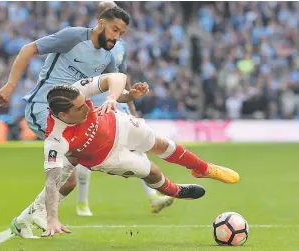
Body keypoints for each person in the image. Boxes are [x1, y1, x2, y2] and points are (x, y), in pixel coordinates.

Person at [40, 73, 240, 237]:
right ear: (64, 116)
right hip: (108, 158)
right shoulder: (55, 140)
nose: (87, 108)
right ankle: (176, 191)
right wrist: (52, 219)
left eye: (85, 103)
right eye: (80, 108)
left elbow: (117, 76)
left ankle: (203, 168)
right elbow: (51, 182)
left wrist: (111, 98)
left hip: (118, 124)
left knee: (161, 144)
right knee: (152, 172)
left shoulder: (75, 92)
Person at [0, 6, 131, 238]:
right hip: (44, 109)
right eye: (114, 30)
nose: (117, 37)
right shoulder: (73, 37)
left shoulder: (108, 56)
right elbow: (29, 49)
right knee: (65, 166)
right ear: (101, 24)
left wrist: (132, 95)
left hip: (70, 117)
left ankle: (27, 217)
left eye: (121, 34)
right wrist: (10, 85)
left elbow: (113, 86)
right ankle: (38, 214)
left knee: (69, 178)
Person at [75, 1, 173, 217]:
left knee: (136, 145)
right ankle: (82, 203)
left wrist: (131, 106)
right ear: (101, 18)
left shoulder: (120, 45)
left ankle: (154, 196)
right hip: (92, 103)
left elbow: (123, 76)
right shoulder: (85, 42)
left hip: (116, 103)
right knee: (86, 151)